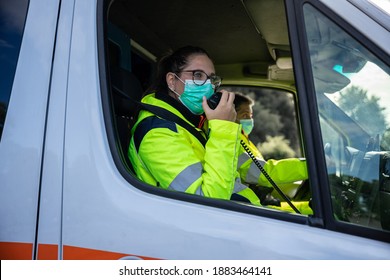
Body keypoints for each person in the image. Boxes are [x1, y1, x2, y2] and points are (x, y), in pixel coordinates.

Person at [128, 45, 311, 214]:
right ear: (171, 81)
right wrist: (223, 128)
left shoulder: (199, 124)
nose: (208, 85)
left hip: (242, 210)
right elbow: (210, 203)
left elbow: (254, 170)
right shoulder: (157, 133)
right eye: (198, 75)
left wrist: (310, 166)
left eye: (211, 78)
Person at [234, 92, 312, 212]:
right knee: (313, 210)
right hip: (250, 206)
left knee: (312, 208)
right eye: (245, 116)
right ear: (229, 115)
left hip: (258, 200)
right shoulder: (232, 143)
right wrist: (311, 166)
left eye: (251, 115)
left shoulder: (243, 140)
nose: (250, 120)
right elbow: (265, 173)